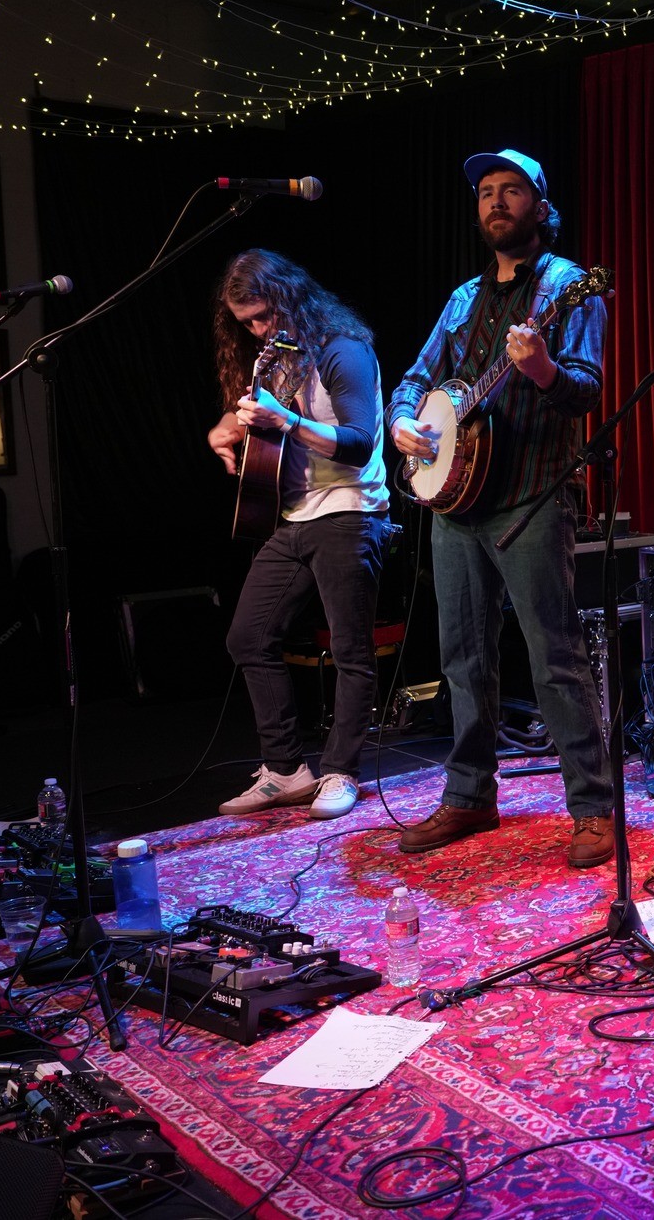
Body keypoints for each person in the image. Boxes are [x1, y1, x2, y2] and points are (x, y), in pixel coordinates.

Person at [385, 149, 613, 865]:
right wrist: (403, 422)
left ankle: (594, 808)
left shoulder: (570, 286)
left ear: (540, 206)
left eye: (511, 190)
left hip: (533, 497)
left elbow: (585, 388)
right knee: (462, 657)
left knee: (554, 656)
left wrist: (541, 368)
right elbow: (414, 380)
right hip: (457, 501)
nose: (495, 201)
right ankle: (469, 795)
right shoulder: (461, 299)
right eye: (486, 191)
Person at [209, 250, 392, 823]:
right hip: (292, 517)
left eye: (265, 315)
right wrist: (223, 429)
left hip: (351, 510)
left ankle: (341, 771)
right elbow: (246, 416)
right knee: (248, 638)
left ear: (291, 296)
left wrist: (286, 421)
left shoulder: (343, 349)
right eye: (247, 323)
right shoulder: (280, 357)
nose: (259, 330)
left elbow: (359, 442)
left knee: (350, 650)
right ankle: (286, 770)